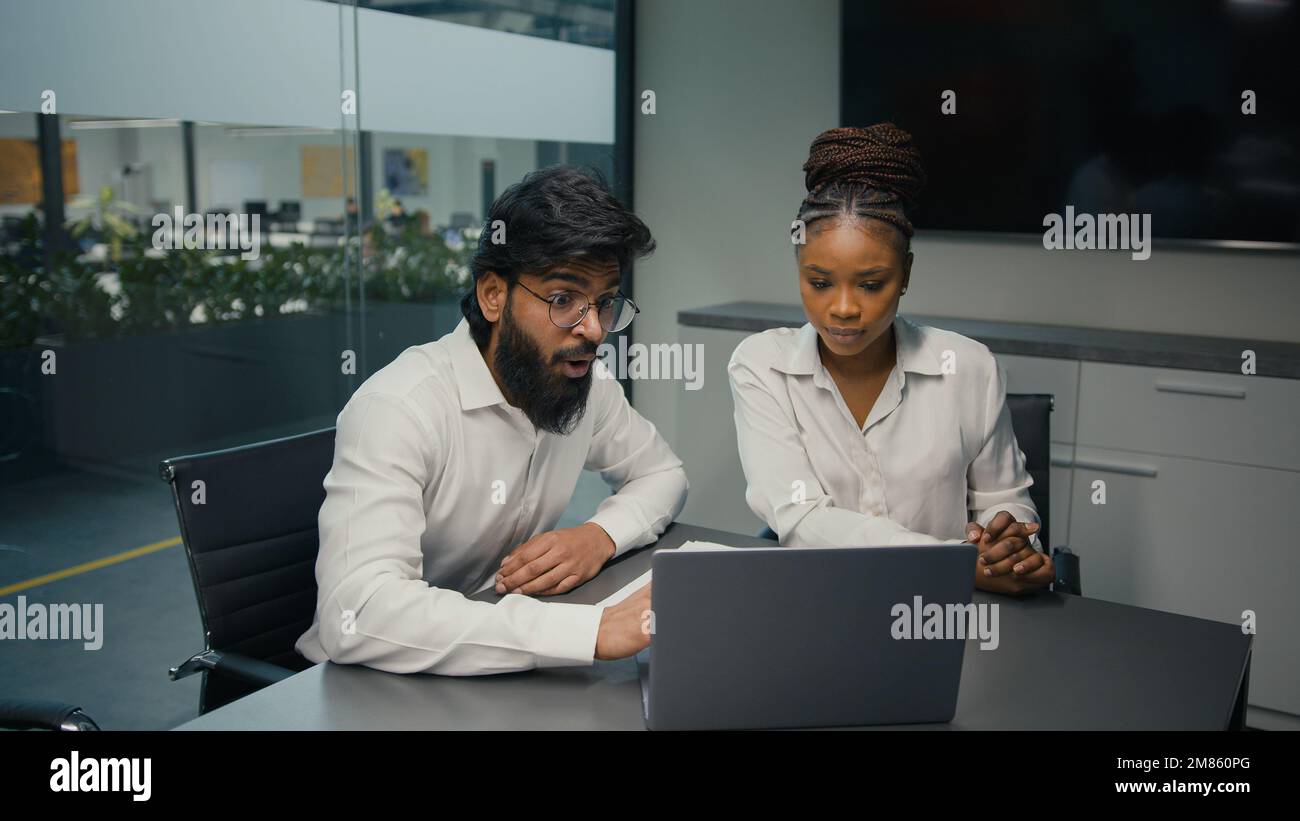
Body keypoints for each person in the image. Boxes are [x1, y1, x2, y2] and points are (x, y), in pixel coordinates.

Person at [296, 166, 683, 674]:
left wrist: (599, 536)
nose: (593, 329)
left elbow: (662, 473)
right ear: (493, 295)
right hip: (367, 684)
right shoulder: (399, 408)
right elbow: (358, 613)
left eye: (605, 302)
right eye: (564, 299)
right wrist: (588, 631)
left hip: (489, 672)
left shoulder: (582, 382)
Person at [727, 124, 1053, 595]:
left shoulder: (968, 367)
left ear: (906, 275)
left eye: (871, 284)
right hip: (820, 602)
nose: (842, 308)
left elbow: (1007, 502)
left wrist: (1012, 550)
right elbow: (800, 518)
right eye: (819, 283)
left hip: (946, 614)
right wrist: (954, 563)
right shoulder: (761, 366)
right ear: (798, 270)